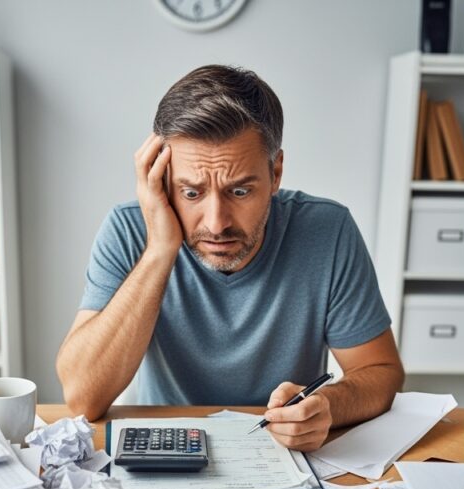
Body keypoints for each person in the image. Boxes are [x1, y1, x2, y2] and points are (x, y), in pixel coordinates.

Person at [57, 65, 404, 450]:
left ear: (275, 173)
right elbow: (83, 398)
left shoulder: (328, 230)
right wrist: (159, 250)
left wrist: (327, 407)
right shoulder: (129, 229)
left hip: (283, 453)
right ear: (162, 179)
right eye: (191, 193)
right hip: (168, 449)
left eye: (239, 192)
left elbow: (380, 371)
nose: (216, 223)